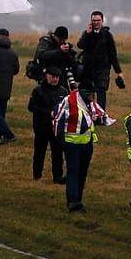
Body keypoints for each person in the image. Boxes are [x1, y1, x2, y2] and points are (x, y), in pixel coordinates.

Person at [53, 77, 113, 212]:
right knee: (73, 172)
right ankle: (73, 202)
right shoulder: (69, 101)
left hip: (87, 144)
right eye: (91, 94)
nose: (92, 97)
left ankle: (78, 199)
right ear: (84, 92)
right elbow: (57, 119)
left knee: (82, 173)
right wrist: (60, 140)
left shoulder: (90, 102)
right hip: (71, 145)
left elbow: (102, 115)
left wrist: (100, 120)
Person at [27, 67, 69, 182]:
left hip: (57, 128)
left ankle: (58, 176)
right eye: (52, 77)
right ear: (46, 76)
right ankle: (37, 175)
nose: (55, 79)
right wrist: (48, 113)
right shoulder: (38, 90)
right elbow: (31, 107)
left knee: (57, 153)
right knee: (39, 152)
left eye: (57, 77)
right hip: (41, 127)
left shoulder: (63, 91)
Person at [76, 10, 125, 108]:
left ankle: (101, 115)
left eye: (98, 20)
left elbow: (113, 54)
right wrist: (88, 34)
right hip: (88, 67)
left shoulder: (107, 35)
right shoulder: (87, 33)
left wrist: (118, 71)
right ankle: (88, 113)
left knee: (101, 90)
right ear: (91, 21)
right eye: (94, 20)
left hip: (103, 68)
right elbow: (80, 45)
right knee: (88, 90)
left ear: (102, 21)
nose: (96, 22)